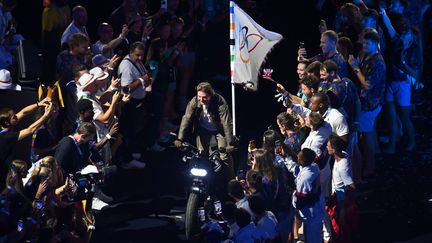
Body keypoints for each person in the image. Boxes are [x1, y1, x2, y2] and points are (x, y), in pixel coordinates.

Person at [175, 82, 235, 178]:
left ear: (210, 95)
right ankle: (204, 178)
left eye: (204, 97)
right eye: (199, 97)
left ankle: (231, 179)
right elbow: (186, 118)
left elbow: (226, 122)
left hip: (219, 129)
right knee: (201, 154)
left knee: (224, 155)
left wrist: (230, 143)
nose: (201, 100)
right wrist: (179, 138)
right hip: (203, 128)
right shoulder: (195, 101)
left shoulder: (220, 102)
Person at [348, 28, 386, 179]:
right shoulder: (369, 56)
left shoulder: (377, 62)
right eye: (363, 42)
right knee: (371, 130)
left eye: (367, 43)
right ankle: (375, 153)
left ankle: (370, 167)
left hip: (370, 104)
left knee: (367, 134)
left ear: (375, 43)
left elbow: (367, 85)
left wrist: (356, 68)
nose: (363, 46)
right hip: (371, 103)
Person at [381, 7, 417, 153]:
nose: (403, 36)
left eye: (406, 34)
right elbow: (389, 28)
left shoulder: (413, 51)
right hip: (391, 82)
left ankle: (412, 141)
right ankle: (392, 144)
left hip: (403, 85)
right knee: (392, 116)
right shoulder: (397, 42)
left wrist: (403, 63)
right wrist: (383, 13)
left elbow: (415, 72)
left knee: (405, 117)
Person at [0, 99, 52, 190]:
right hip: (3, 172)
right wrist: (46, 115)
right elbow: (30, 130)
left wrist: (38, 104)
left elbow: (23, 112)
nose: (16, 117)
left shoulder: (6, 124)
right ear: (7, 123)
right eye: (14, 117)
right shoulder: (6, 136)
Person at [118, 41, 152, 158]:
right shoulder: (126, 66)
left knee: (135, 128)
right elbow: (126, 89)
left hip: (139, 102)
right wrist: (142, 80)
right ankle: (128, 156)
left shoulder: (137, 62)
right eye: (137, 55)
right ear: (131, 52)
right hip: (130, 103)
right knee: (129, 130)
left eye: (142, 55)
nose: (140, 58)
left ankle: (132, 151)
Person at [285, 148, 325, 243]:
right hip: (315, 208)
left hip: (312, 213)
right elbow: (296, 170)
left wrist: (294, 200)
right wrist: (285, 157)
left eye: (299, 156)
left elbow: (300, 201)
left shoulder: (306, 179)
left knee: (313, 239)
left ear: (303, 160)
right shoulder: (313, 166)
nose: (297, 156)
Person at [326, 135, 357, 243]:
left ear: (333, 150)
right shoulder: (344, 154)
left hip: (341, 198)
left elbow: (351, 186)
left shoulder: (342, 167)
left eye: (328, 146)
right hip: (339, 194)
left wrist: (345, 206)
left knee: (341, 224)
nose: (326, 147)